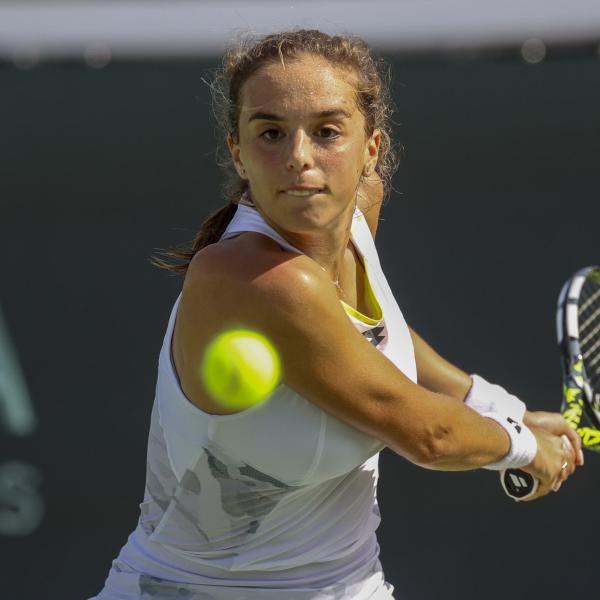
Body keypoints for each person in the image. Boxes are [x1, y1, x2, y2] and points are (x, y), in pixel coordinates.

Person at [90, 29, 583, 600]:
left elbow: (371, 336)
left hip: (351, 587)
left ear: (370, 148)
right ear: (238, 152)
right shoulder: (256, 278)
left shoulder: (354, 212)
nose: (300, 157)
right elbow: (430, 436)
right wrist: (522, 447)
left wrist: (494, 405)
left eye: (327, 132)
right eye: (270, 133)